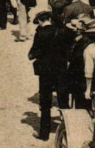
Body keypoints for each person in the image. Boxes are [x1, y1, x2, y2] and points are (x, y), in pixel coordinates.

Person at [28, 11, 68, 140]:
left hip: (46, 72)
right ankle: (68, 128)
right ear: (50, 19)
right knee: (62, 99)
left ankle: (44, 133)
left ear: (40, 21)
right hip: (60, 70)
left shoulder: (40, 34)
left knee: (45, 102)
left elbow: (33, 53)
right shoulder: (60, 32)